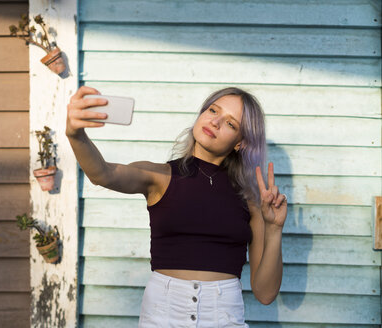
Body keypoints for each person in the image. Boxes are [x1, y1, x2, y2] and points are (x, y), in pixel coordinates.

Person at [66, 86, 287, 327]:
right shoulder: (160, 176)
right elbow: (103, 173)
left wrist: (274, 228)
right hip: (162, 316)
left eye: (230, 124)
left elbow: (265, 294)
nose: (215, 121)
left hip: (224, 318)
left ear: (240, 143)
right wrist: (76, 136)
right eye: (213, 110)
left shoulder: (251, 200)